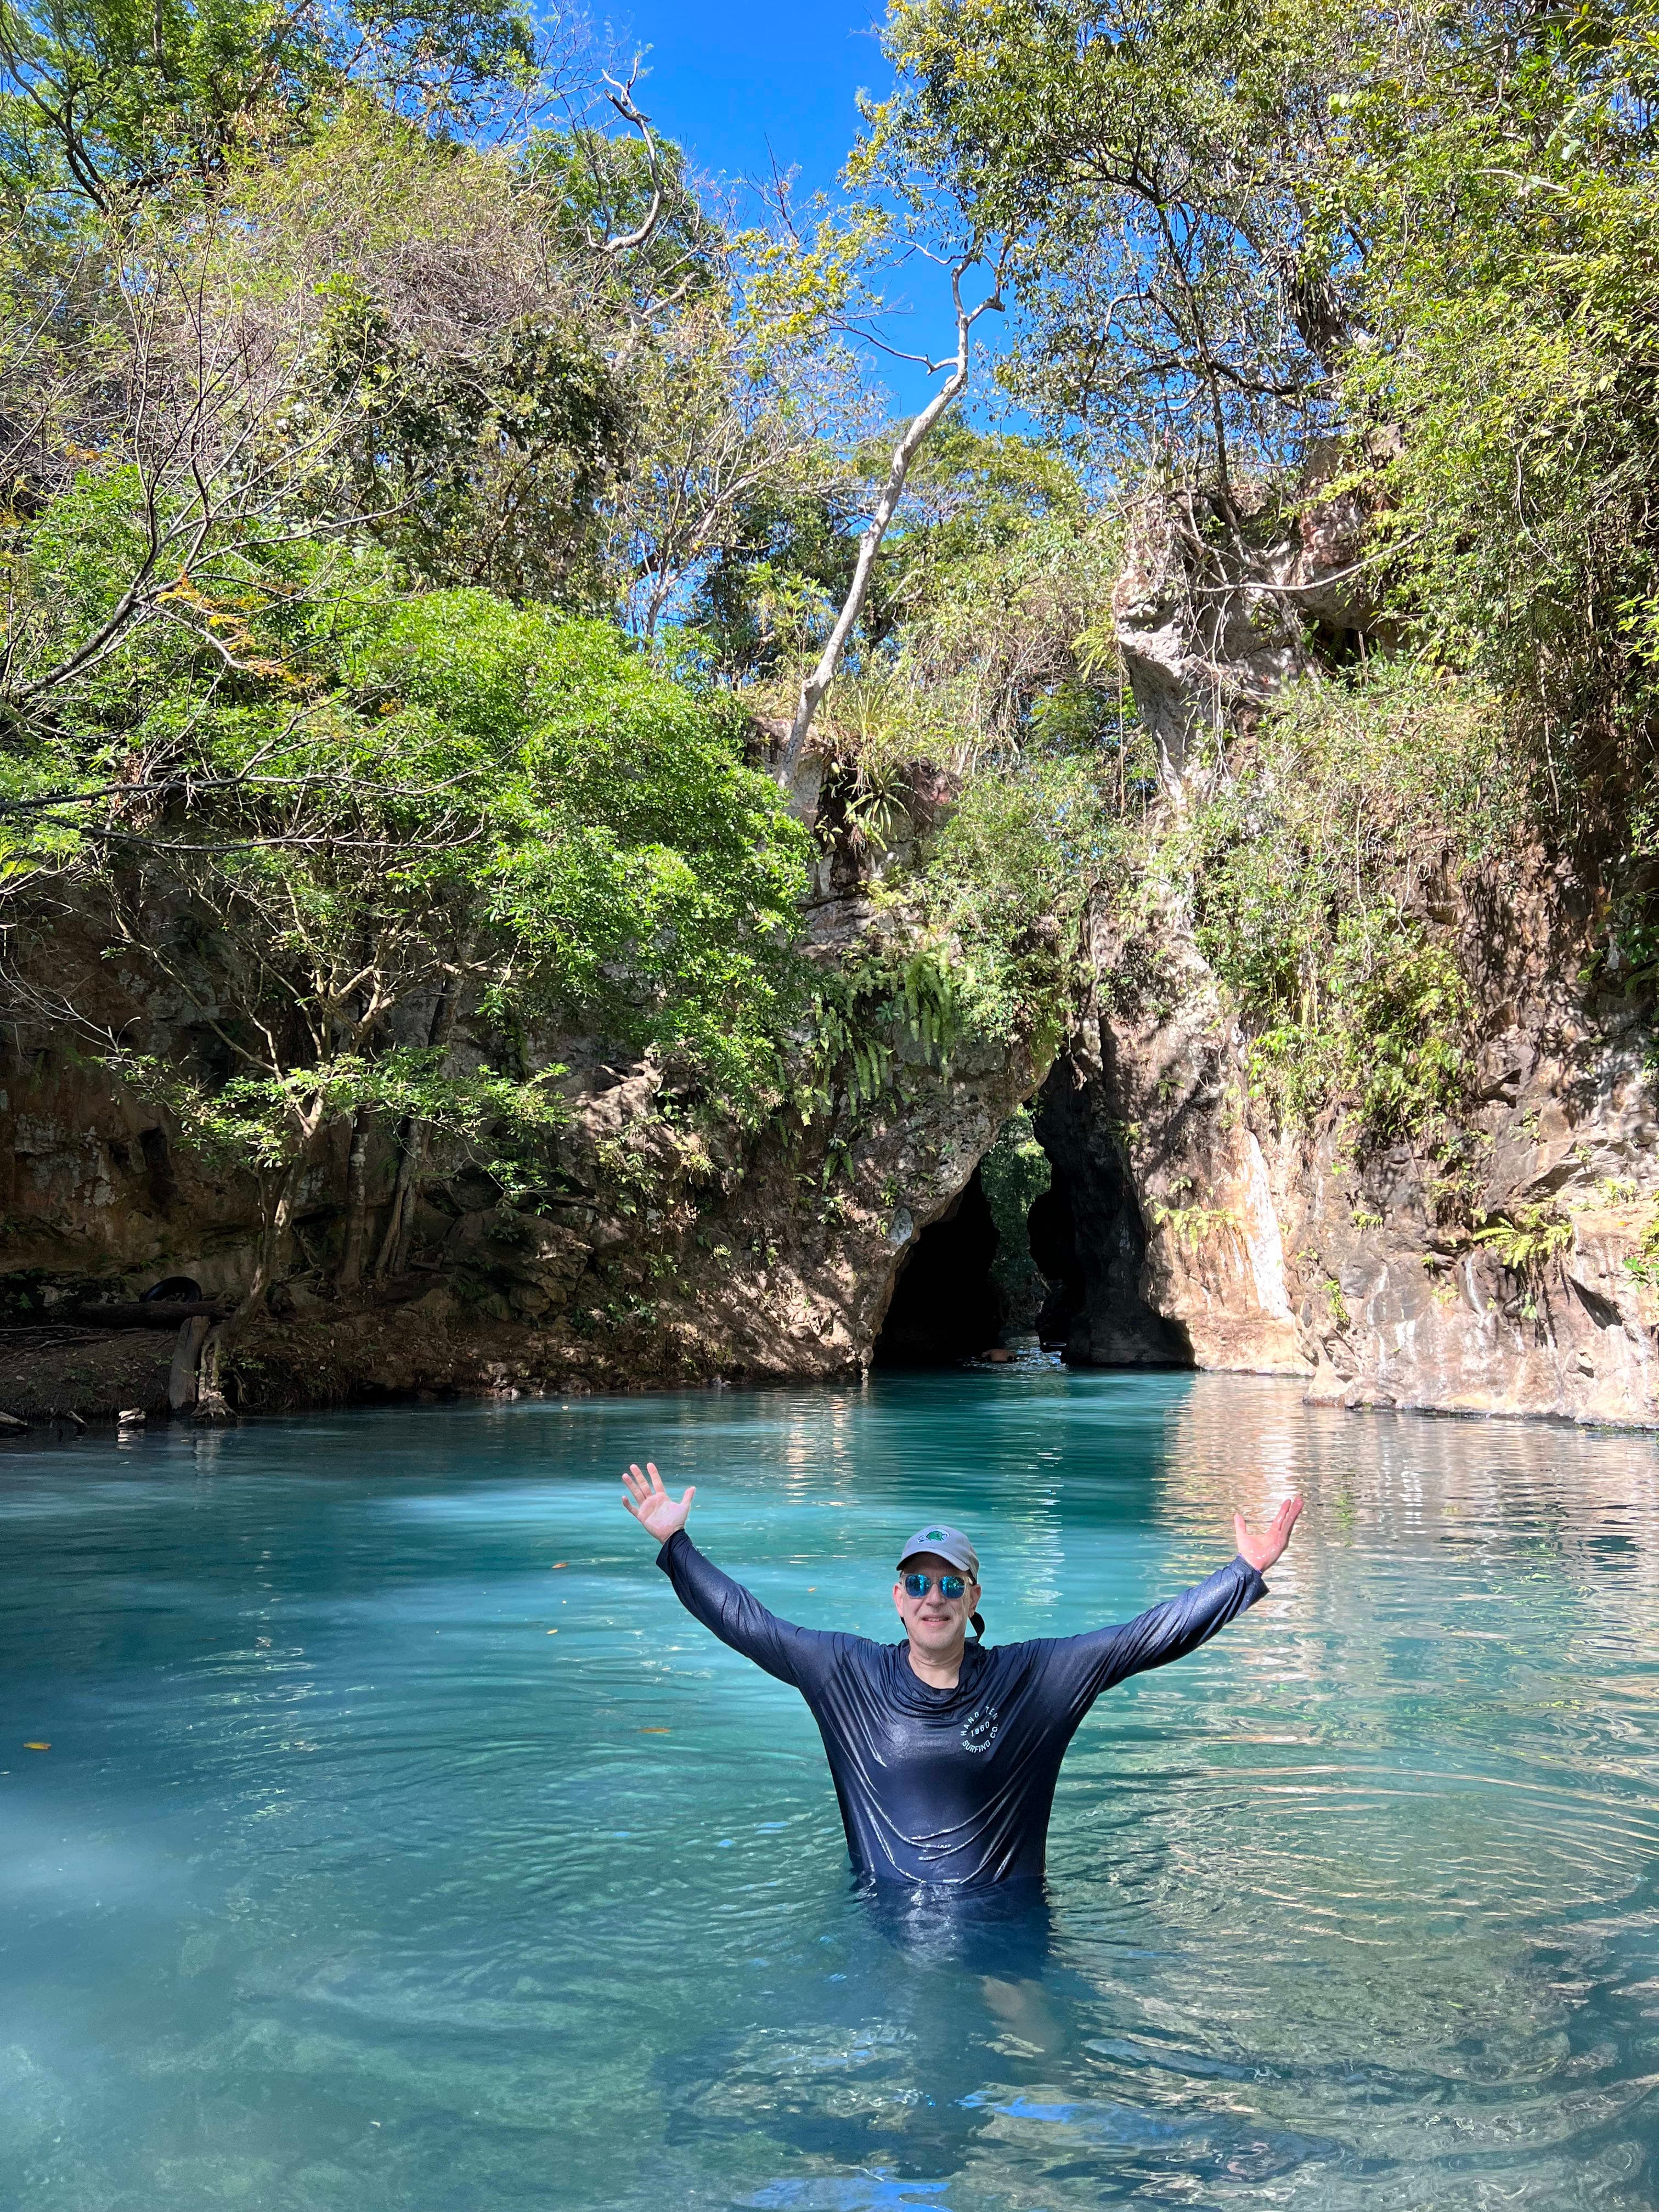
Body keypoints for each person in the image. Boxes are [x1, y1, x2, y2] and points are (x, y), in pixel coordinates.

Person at [620, 1461, 1303, 1888]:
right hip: (882, 1923)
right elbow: (747, 1621)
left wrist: (1243, 1572)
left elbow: (1143, 1639)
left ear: (974, 1599)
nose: (933, 1598)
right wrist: (676, 1546)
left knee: (1041, 2068)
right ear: (897, 1598)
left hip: (1005, 1931)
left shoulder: (1032, 1681)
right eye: (917, 1582)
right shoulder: (845, 1674)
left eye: (951, 1586)